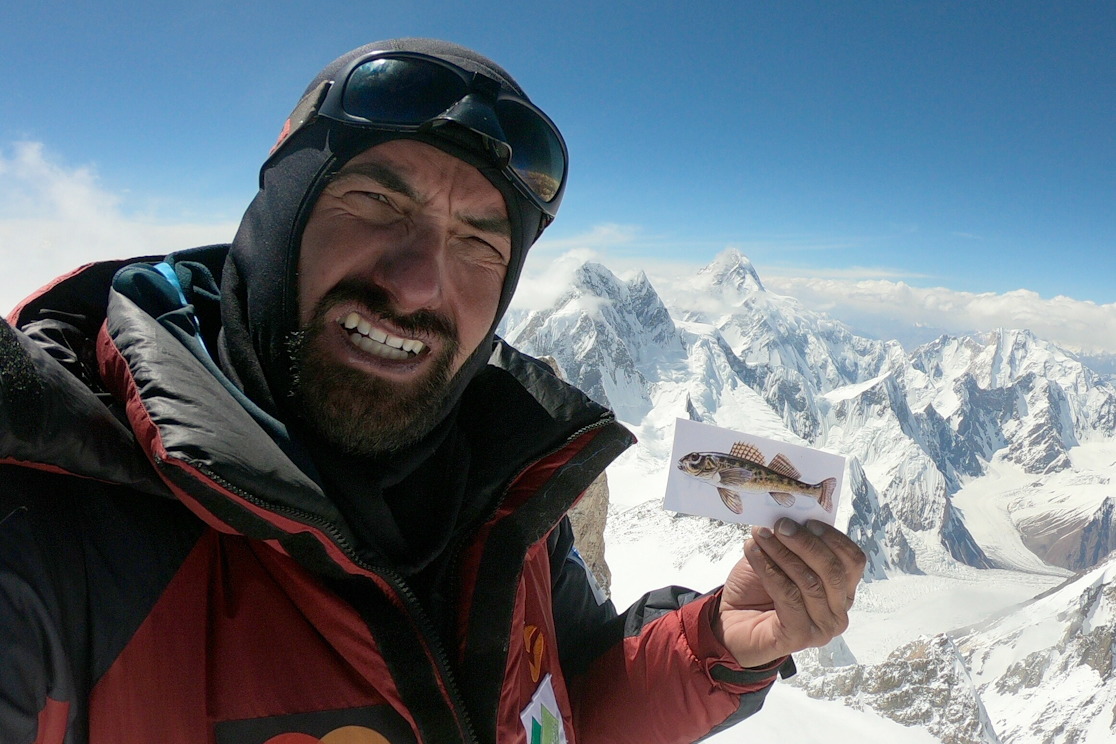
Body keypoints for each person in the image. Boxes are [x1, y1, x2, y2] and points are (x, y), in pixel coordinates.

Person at [0, 38, 865, 744]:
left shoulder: (500, 497)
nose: (418, 283)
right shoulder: (48, 528)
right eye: (378, 202)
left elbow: (562, 711)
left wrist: (718, 645)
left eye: (479, 244)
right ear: (279, 219)